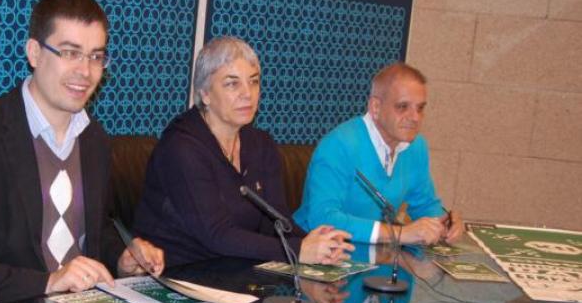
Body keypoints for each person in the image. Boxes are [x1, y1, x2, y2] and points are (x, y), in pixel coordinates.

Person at [0, 0, 163, 303]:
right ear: (35, 53)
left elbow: (91, 232)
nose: (85, 71)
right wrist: (48, 282)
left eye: (95, 56)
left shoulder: (95, 140)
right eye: (70, 53)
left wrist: (121, 258)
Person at [133, 36, 353, 267]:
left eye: (254, 81)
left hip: (238, 272)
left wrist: (316, 243)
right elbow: (216, 235)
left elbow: (276, 223)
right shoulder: (181, 148)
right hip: (178, 273)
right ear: (205, 93)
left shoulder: (261, 145)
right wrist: (298, 250)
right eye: (232, 84)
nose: (248, 93)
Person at [294, 62, 465, 245]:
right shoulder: (338, 145)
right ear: (375, 107)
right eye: (403, 106)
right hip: (311, 250)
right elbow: (322, 218)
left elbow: (425, 204)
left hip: (373, 253)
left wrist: (445, 223)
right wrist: (397, 234)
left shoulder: (416, 147)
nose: (415, 117)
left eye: (420, 108)